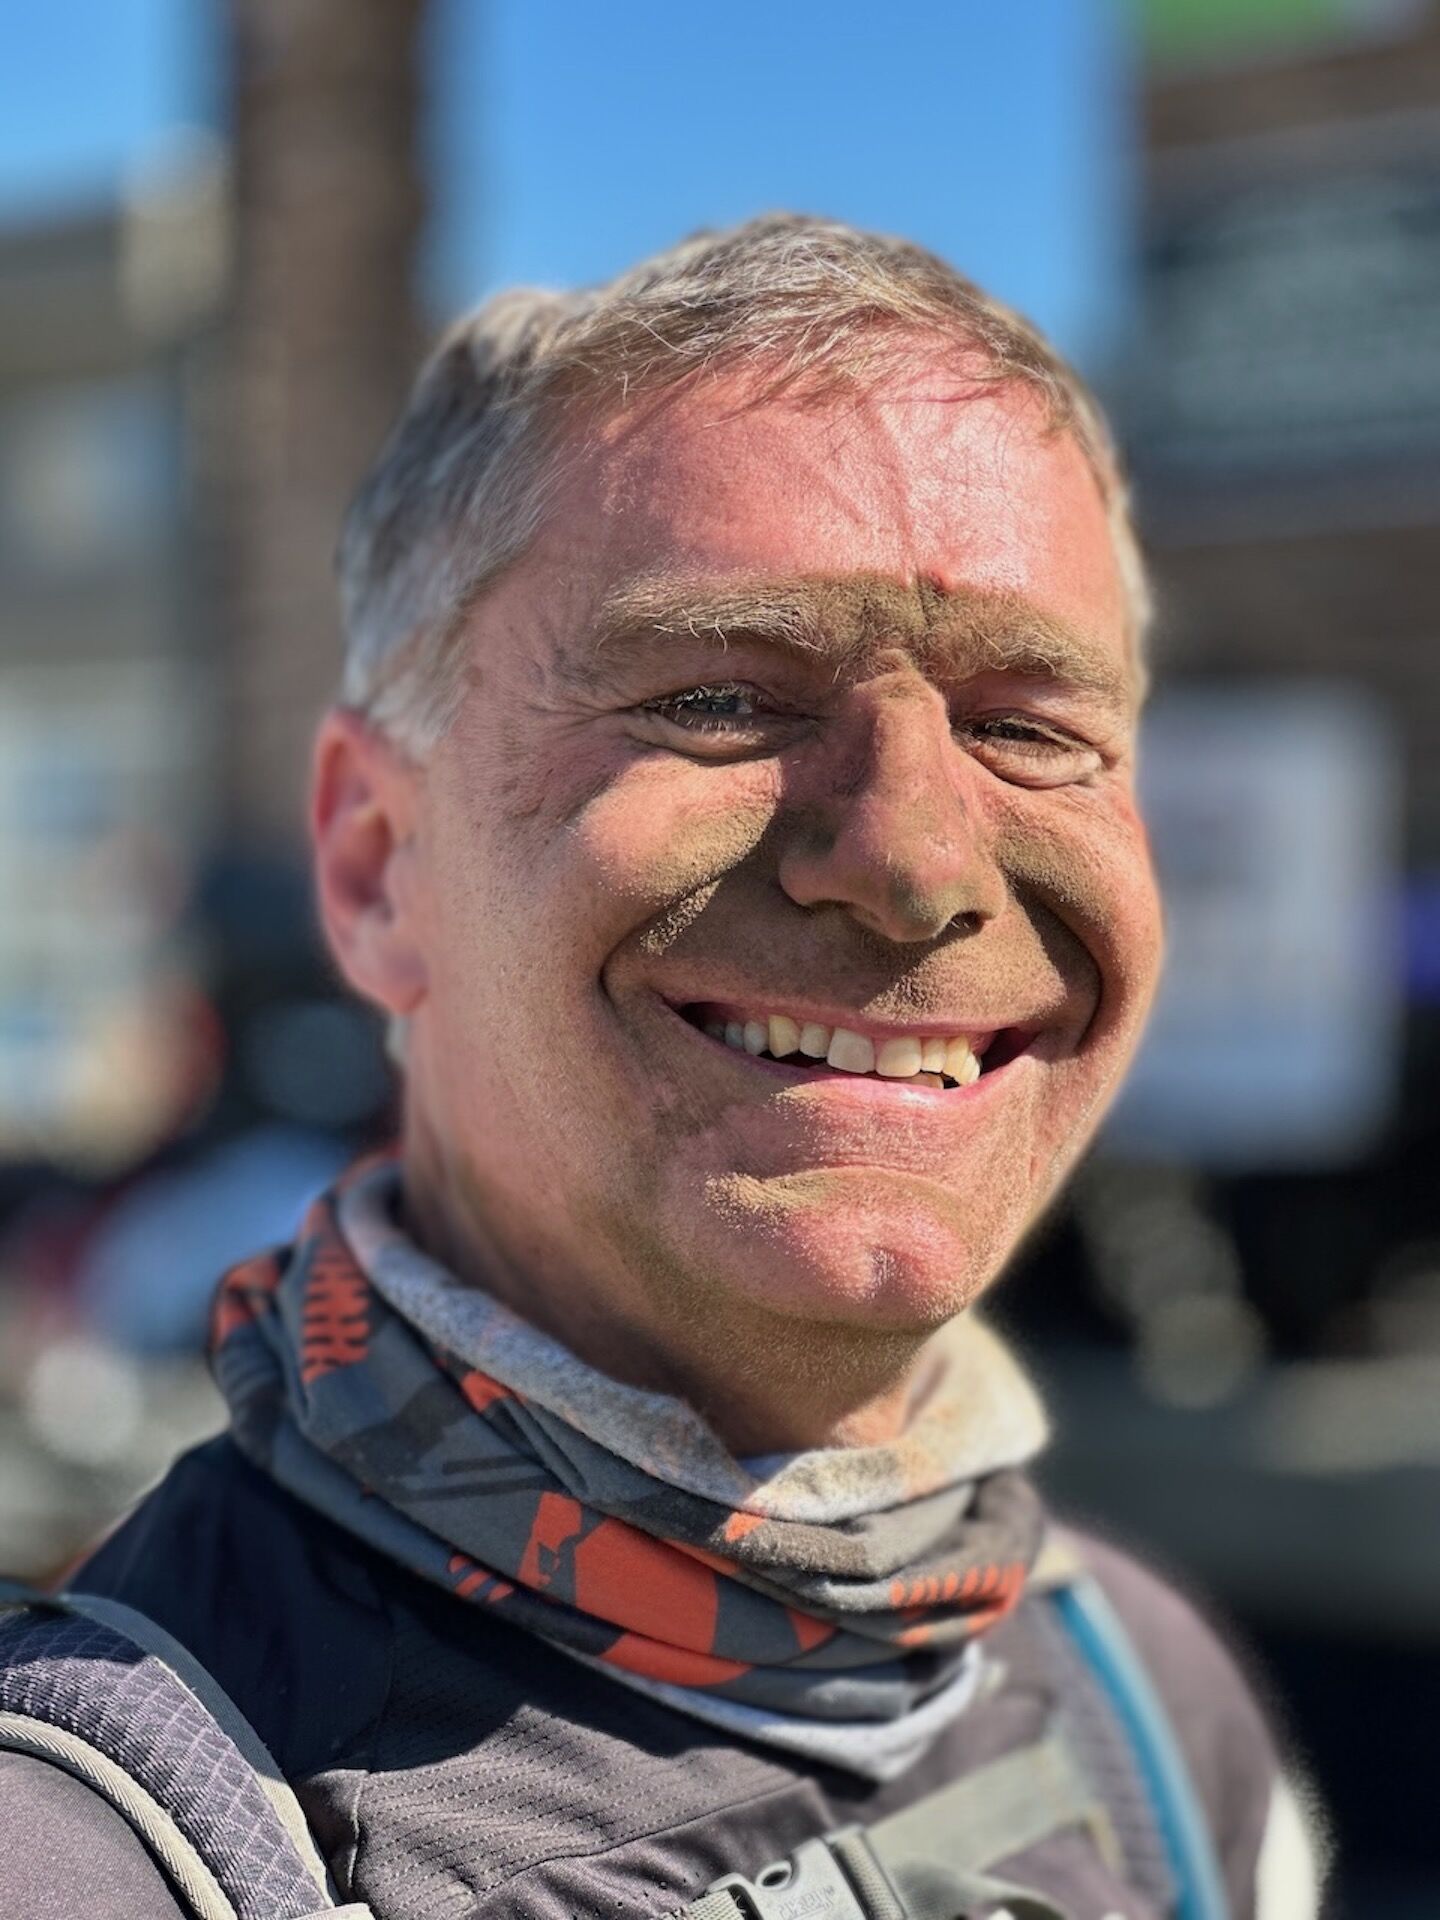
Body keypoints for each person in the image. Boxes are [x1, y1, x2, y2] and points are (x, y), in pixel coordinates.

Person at [0, 215, 1323, 1919]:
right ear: (376, 866)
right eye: (719, 699)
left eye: (1027, 728)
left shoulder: (1158, 1705)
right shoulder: (101, 1855)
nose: (919, 862)